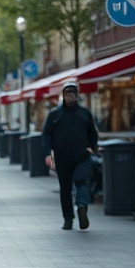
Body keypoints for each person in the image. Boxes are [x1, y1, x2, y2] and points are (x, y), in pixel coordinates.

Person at [42, 79, 99, 231]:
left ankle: (82, 207)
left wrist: (90, 149)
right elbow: (46, 135)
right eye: (68, 93)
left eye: (73, 92)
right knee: (65, 188)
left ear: (77, 95)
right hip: (62, 157)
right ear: (63, 95)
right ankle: (68, 219)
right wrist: (48, 153)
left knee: (82, 182)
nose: (71, 96)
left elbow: (93, 134)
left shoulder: (85, 113)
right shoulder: (55, 114)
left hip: (82, 156)